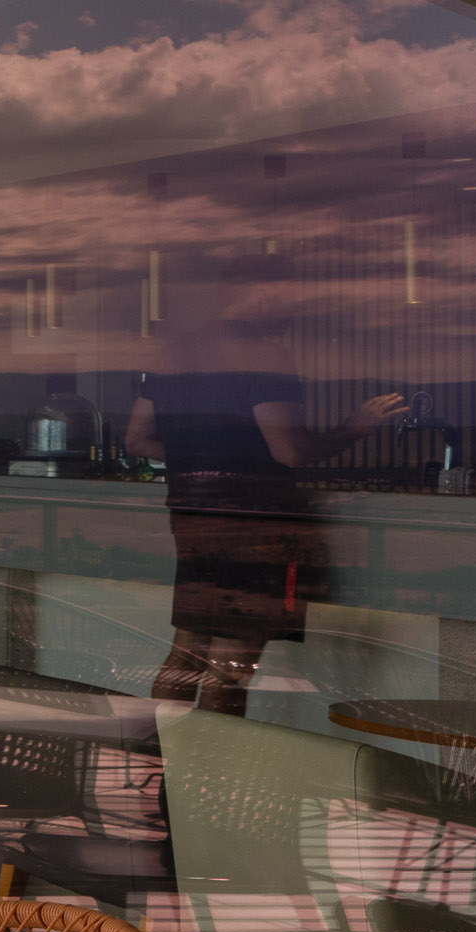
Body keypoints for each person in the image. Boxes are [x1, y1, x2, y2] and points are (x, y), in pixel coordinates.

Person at [128, 255, 404, 711]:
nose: (294, 305)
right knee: (231, 669)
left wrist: (200, 461)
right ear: (251, 292)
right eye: (287, 294)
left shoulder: (170, 354)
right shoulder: (266, 355)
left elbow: (138, 440)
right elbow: (290, 452)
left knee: (188, 651)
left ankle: (163, 769)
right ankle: (208, 780)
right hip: (253, 524)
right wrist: (356, 426)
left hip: (192, 518)